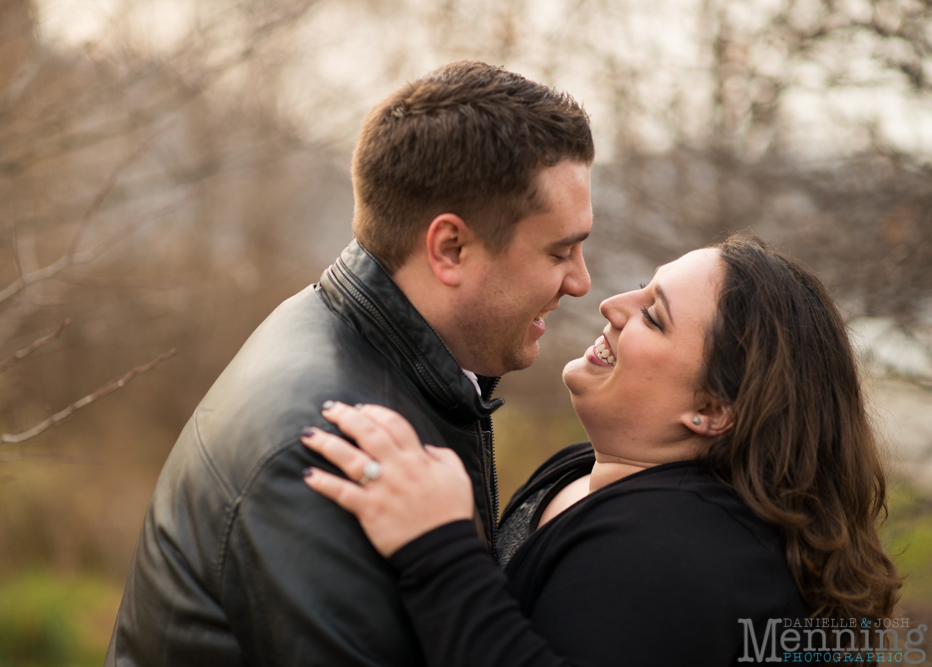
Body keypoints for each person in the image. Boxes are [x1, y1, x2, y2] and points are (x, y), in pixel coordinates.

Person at [105, 61, 595, 666]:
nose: (580, 281)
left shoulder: (356, 338)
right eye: (560, 251)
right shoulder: (328, 453)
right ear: (451, 248)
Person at [302, 233, 903, 666]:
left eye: (655, 317)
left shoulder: (677, 556)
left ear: (713, 411)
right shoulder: (589, 469)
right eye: (643, 287)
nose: (613, 306)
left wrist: (436, 550)